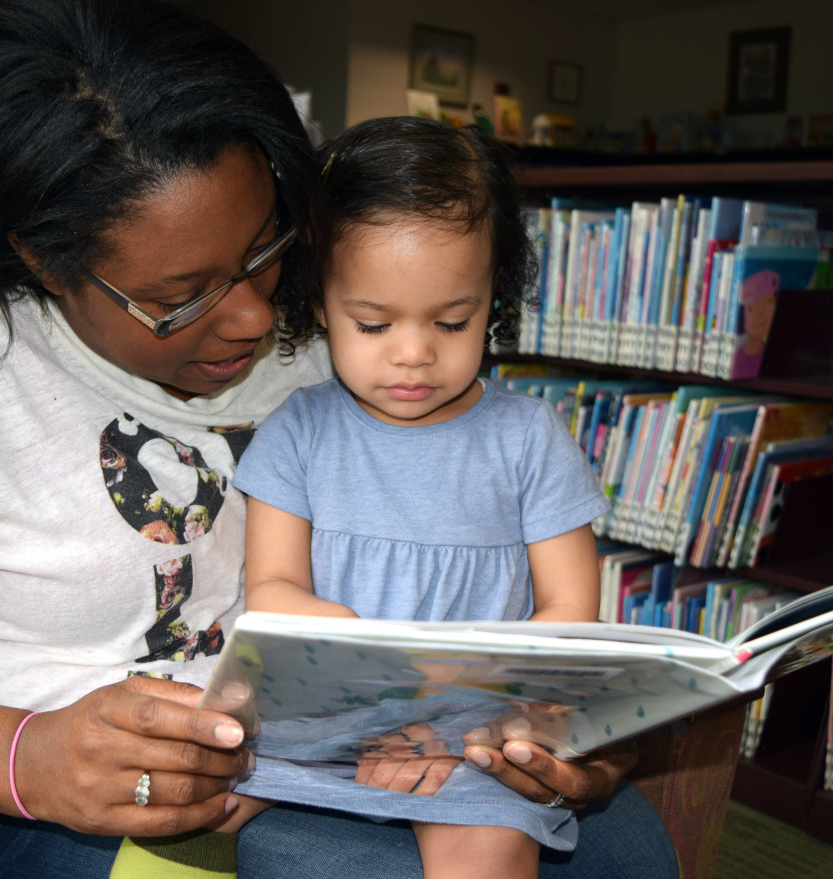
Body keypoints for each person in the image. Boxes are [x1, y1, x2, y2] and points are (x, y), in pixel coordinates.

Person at [0, 1, 676, 877]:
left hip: (362, 737)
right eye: (181, 295)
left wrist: (574, 726)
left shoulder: (354, 325)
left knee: (628, 854)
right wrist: (23, 754)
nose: (258, 316)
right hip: (44, 801)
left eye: (269, 247)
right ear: (41, 257)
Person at [228, 115, 605, 877]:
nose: (413, 352)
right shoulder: (299, 430)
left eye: (452, 320)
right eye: (372, 322)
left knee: (489, 847)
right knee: (196, 803)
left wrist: (463, 704)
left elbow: (569, 611)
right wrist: (368, 665)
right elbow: (271, 589)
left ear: (491, 299)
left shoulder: (528, 438)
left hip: (475, 727)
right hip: (331, 713)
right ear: (320, 304)